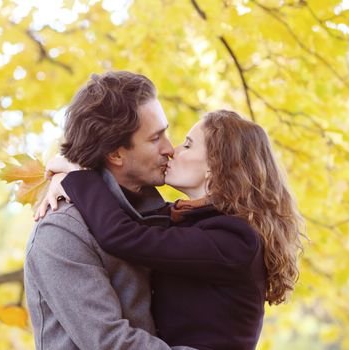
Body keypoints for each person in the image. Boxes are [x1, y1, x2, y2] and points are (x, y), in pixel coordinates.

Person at [39, 110, 306, 350]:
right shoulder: (193, 220)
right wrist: (67, 181)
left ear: (216, 166)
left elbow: (124, 236)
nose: (173, 150)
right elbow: (131, 219)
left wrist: (78, 176)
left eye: (188, 145)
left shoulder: (233, 240)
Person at [24, 70, 194, 349]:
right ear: (115, 153)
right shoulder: (62, 233)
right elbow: (111, 343)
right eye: (155, 139)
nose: (170, 149)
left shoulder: (156, 215)